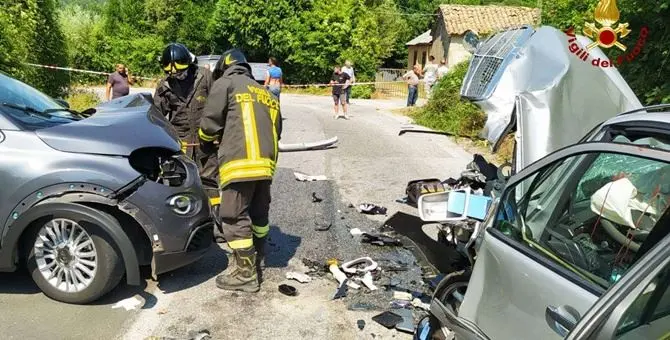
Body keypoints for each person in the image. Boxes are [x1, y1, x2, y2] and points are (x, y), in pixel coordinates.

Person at [198, 48, 282, 293]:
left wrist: (206, 144)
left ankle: (245, 274)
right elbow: (277, 130)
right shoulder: (267, 93)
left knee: (233, 215)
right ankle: (259, 253)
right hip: (265, 166)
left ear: (224, 67)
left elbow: (209, 124)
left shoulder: (226, 83)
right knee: (258, 213)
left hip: (239, 164)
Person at [152, 43, 218, 183]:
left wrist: (220, 133)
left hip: (206, 143)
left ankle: (213, 206)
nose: (178, 76)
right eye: (174, 74)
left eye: (181, 72)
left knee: (209, 184)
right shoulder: (165, 86)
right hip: (180, 145)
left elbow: (220, 106)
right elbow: (156, 116)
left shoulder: (205, 77)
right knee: (180, 184)